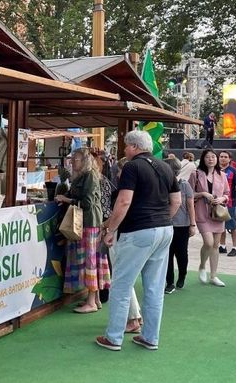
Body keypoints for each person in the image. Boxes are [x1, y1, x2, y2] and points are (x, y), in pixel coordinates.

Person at [95, 131, 180, 352]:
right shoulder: (165, 167)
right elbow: (176, 201)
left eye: (125, 146)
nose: (124, 150)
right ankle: (150, 337)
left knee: (121, 285)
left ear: (134, 146)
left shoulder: (132, 167)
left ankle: (114, 338)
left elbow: (123, 202)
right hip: (164, 229)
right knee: (154, 288)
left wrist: (110, 229)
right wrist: (161, 219)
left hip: (139, 231)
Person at [55, 149, 110, 314]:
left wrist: (66, 199)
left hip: (89, 223)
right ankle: (95, 299)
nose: (72, 162)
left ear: (84, 160)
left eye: (75, 159)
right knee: (92, 260)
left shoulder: (90, 176)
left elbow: (87, 202)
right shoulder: (84, 175)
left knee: (90, 261)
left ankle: (91, 301)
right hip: (88, 222)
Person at [96, 153, 142, 333]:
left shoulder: (124, 192)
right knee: (126, 279)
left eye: (120, 171)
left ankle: (132, 319)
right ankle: (136, 316)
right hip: (130, 235)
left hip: (120, 235)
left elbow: (119, 213)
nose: (116, 174)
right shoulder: (136, 189)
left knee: (122, 279)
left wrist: (106, 226)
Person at [192, 149, 232, 286]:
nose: (211, 159)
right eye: (208, 157)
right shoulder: (196, 174)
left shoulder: (222, 175)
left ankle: (214, 275)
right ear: (203, 159)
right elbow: (189, 193)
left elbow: (227, 193)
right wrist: (203, 193)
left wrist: (221, 198)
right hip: (202, 212)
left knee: (215, 245)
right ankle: (202, 266)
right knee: (208, 243)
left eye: (213, 157)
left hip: (218, 214)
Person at [165, 158, 196, 294]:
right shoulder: (162, 185)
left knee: (182, 253)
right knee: (167, 254)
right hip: (166, 225)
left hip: (182, 224)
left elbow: (190, 205)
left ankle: (182, 275)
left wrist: (192, 224)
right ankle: (169, 282)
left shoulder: (184, 185)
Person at [217, 151, 236, 256]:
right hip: (218, 203)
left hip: (231, 203)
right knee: (221, 225)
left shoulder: (234, 171)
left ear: (229, 159)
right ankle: (222, 246)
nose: (223, 158)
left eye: (225, 157)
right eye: (221, 156)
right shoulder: (215, 170)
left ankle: (235, 248)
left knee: (233, 226)